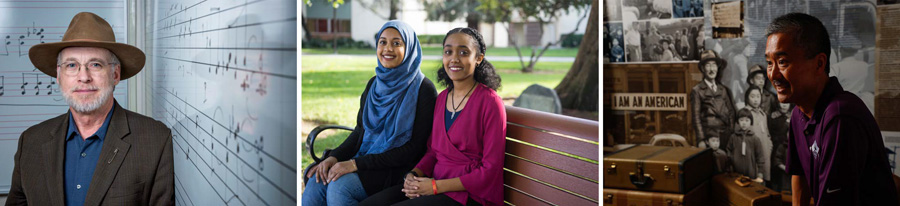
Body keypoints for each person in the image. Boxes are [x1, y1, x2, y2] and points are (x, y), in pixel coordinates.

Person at [6, 12, 174, 205]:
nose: (84, 77)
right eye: (72, 65)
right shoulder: (31, 141)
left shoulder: (155, 140)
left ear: (115, 74)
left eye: (95, 64)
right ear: (59, 75)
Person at [361, 27, 506, 206]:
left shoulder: (490, 103)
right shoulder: (442, 98)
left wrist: (435, 187)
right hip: (435, 184)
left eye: (463, 52)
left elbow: (490, 170)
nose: (454, 58)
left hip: (470, 195)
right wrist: (414, 174)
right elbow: (433, 152)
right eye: (448, 52)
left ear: (478, 58)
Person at [765, 13, 898, 205]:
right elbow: (799, 175)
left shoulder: (840, 117)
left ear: (819, 64)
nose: (773, 74)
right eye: (770, 63)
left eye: (783, 62)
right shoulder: (798, 113)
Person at [302, 20, 438, 205]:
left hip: (398, 169)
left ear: (409, 48)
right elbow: (360, 131)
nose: (388, 48)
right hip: (367, 159)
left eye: (396, 43)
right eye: (383, 42)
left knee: (340, 186)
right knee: (317, 180)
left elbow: (414, 149)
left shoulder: (424, 89)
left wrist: (354, 164)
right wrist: (333, 157)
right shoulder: (374, 84)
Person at [691, 50, 736, 148]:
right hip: (709, 137)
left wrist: (731, 132)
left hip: (725, 135)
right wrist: (701, 139)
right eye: (708, 66)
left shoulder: (722, 89)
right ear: (703, 69)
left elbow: (731, 112)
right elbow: (696, 117)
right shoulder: (697, 90)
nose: (712, 69)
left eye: (714, 65)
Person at [727, 108, 765, 182]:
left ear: (751, 122)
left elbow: (760, 156)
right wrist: (730, 165)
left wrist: (760, 173)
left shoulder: (755, 139)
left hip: (750, 172)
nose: (744, 123)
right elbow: (728, 151)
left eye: (747, 120)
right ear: (738, 121)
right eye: (741, 120)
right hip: (736, 171)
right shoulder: (733, 137)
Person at [744, 87, 772, 184]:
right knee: (753, 180)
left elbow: (767, 134)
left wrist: (769, 146)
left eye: (758, 96)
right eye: (752, 96)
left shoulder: (762, 114)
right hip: (752, 153)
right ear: (747, 97)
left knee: (763, 180)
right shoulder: (745, 113)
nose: (755, 99)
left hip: (765, 152)